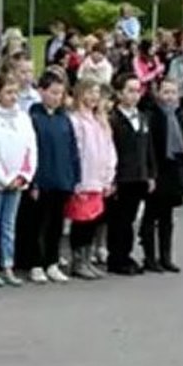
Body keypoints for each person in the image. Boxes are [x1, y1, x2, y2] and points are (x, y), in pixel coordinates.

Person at [0, 74, 36, 288]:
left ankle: (8, 264)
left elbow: (31, 147)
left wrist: (24, 175)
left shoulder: (22, 117)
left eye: (15, 93)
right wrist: (3, 178)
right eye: (8, 92)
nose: (13, 97)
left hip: (18, 180)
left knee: (8, 224)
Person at [24, 70, 80, 284]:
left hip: (62, 178)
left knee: (56, 224)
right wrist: (34, 181)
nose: (57, 97)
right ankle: (35, 263)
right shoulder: (34, 116)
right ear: (41, 91)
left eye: (60, 93)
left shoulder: (64, 118)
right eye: (53, 92)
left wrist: (74, 177)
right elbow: (31, 150)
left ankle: (52, 262)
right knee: (38, 223)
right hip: (42, 179)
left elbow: (72, 149)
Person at [107, 73, 156, 275]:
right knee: (119, 220)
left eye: (138, 91)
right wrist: (112, 178)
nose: (135, 95)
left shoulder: (142, 117)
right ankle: (116, 258)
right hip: (121, 177)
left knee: (131, 218)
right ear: (119, 93)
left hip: (139, 175)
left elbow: (149, 148)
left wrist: (151, 174)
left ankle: (126, 255)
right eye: (130, 91)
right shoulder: (114, 119)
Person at [67, 80, 116, 280]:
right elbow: (76, 151)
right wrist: (77, 179)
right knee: (81, 220)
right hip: (84, 178)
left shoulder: (99, 121)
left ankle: (87, 257)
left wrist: (108, 176)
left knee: (93, 220)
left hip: (98, 178)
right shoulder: (76, 120)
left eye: (97, 93)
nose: (94, 97)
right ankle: (78, 260)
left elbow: (108, 149)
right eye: (90, 92)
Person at [139, 79, 183, 273]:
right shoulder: (151, 116)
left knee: (167, 216)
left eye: (173, 92)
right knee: (151, 215)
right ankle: (150, 257)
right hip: (157, 171)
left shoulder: (181, 116)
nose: (169, 97)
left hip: (173, 170)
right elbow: (148, 147)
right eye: (166, 92)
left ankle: (166, 256)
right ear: (158, 94)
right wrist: (149, 173)